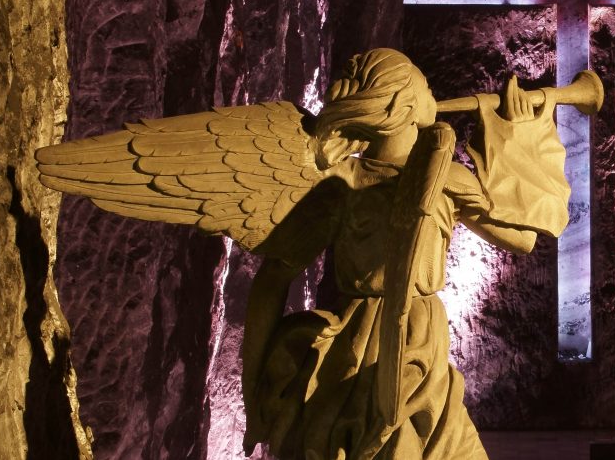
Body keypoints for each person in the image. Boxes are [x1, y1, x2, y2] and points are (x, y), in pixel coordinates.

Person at [239, 49, 569, 459]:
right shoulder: (434, 177)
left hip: (401, 349)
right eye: (425, 86)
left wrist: (254, 391)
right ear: (404, 103)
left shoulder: (345, 182)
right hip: (383, 350)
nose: (433, 93)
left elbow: (272, 279)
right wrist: (518, 137)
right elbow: (523, 238)